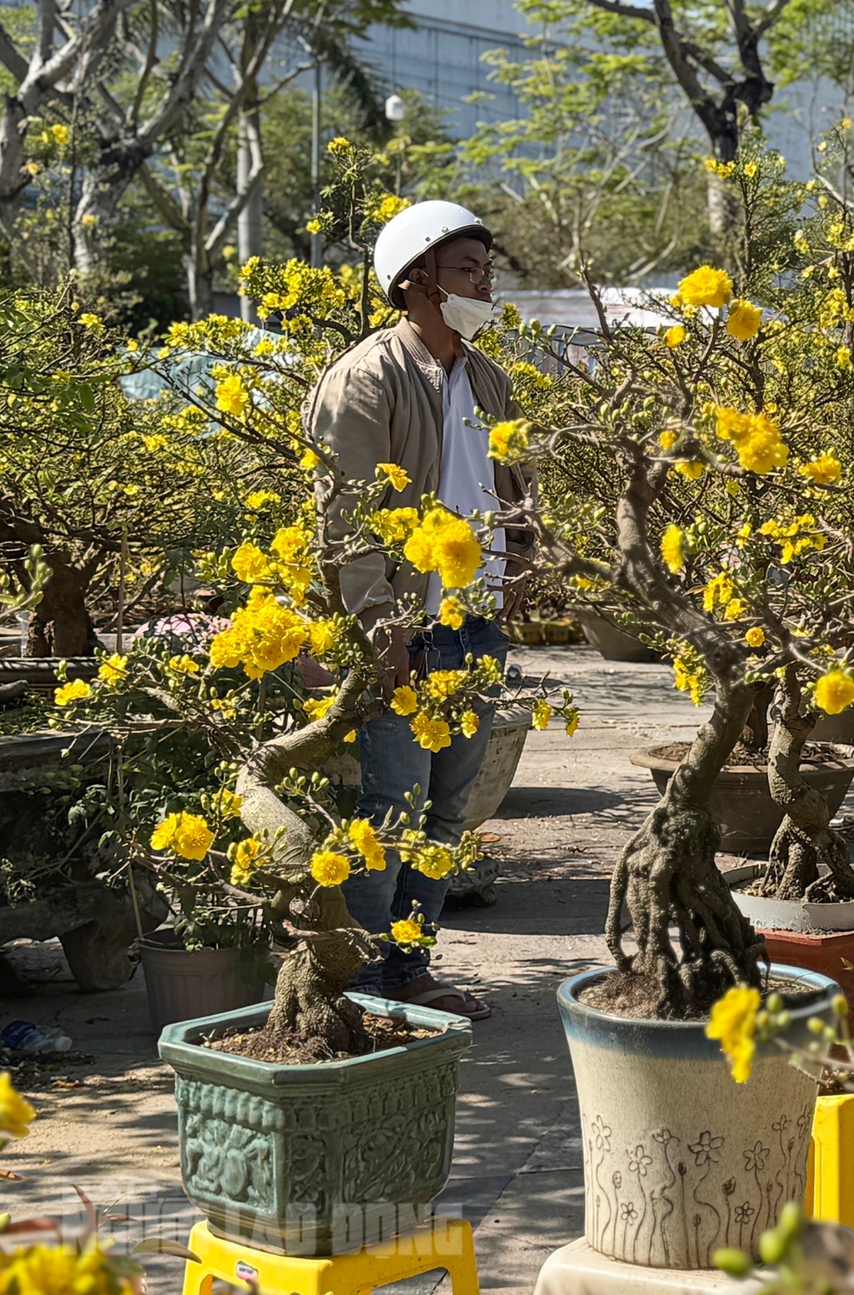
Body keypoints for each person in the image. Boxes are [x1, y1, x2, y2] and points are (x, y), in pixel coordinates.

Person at [306, 200, 536, 1021]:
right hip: (403, 628)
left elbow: (515, 487)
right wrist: (381, 626)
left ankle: (408, 971)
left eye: (486, 270)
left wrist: (522, 561)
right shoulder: (366, 378)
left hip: (475, 626)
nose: (484, 285)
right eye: (468, 269)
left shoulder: (487, 377)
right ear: (416, 281)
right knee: (391, 809)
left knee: (446, 810)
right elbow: (346, 518)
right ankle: (359, 985)